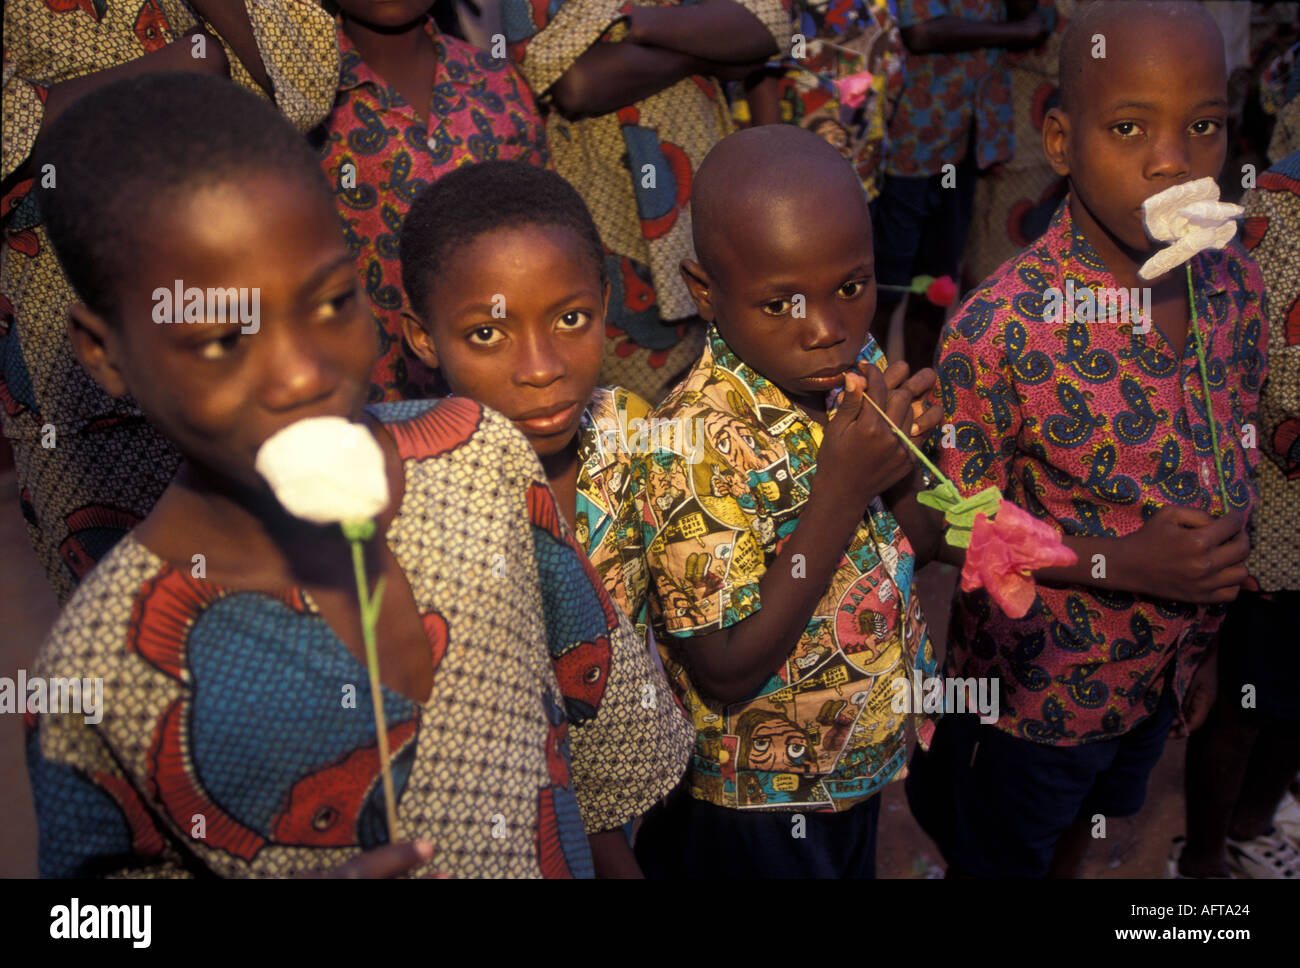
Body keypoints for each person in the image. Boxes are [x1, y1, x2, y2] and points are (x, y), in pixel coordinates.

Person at [25, 74, 688, 879]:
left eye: (330, 302)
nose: (300, 373)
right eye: (221, 339)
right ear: (106, 352)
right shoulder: (95, 673)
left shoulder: (479, 456)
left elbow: (599, 764)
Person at [906, 1, 1268, 879]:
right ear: (1062, 143)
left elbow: (1226, 481)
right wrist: (1125, 563)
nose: (1173, 160)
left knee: (1093, 833)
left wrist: (1203, 647)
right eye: (1129, 127)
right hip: (1036, 700)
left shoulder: (1235, 287)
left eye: (1205, 127)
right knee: (1002, 854)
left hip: (1164, 676)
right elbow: (954, 522)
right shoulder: (1004, 328)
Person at [628, 125, 944, 878]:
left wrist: (908, 464)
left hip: (853, 761)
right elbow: (727, 669)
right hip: (754, 805)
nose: (828, 329)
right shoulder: (689, 446)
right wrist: (840, 490)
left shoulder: (854, 364)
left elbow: (916, 543)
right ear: (705, 292)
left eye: (852, 287)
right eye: (782, 304)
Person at [1, 0, 339, 606]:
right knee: (135, 630)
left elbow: (308, 82)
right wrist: (184, 65)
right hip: (73, 375)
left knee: (300, 608)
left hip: (248, 339)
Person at [503, 0, 790, 402]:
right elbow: (577, 84)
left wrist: (631, 22)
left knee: (718, 405)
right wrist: (703, 49)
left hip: (703, 215)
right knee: (623, 419)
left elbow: (767, 27)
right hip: (605, 228)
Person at [313, 0, 548, 403]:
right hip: (359, 393)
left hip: (504, 384)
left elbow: (546, 232)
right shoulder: (299, 95)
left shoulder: (495, 78)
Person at [1173, 148, 1300, 879]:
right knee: (1245, 700)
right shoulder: (1280, 202)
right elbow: (1258, 371)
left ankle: (1256, 822)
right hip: (1274, 514)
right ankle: (1206, 856)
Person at [871, 0, 1049, 372]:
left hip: (967, 140)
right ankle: (875, 399)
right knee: (885, 286)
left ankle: (921, 396)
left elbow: (1029, 14)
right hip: (912, 140)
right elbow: (920, 31)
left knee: (937, 285)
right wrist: (1016, 33)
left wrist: (1020, 26)